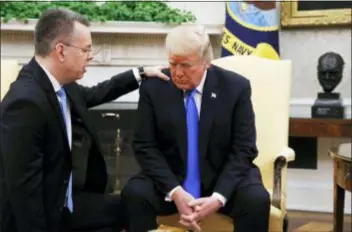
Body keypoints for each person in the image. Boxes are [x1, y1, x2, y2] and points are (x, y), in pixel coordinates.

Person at [0, 8, 169, 232]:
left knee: (132, 204)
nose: (91, 55)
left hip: (65, 201)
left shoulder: (59, 84)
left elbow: (94, 94)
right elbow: (24, 192)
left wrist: (141, 73)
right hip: (41, 215)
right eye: (86, 49)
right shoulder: (25, 103)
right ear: (61, 51)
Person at [121, 25, 270, 232]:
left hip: (221, 176)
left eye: (186, 65)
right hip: (172, 178)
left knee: (256, 199)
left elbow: (244, 149)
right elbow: (144, 146)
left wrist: (218, 197)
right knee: (134, 193)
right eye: (173, 63)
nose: (177, 72)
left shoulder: (235, 87)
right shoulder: (153, 87)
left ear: (206, 62)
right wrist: (175, 191)